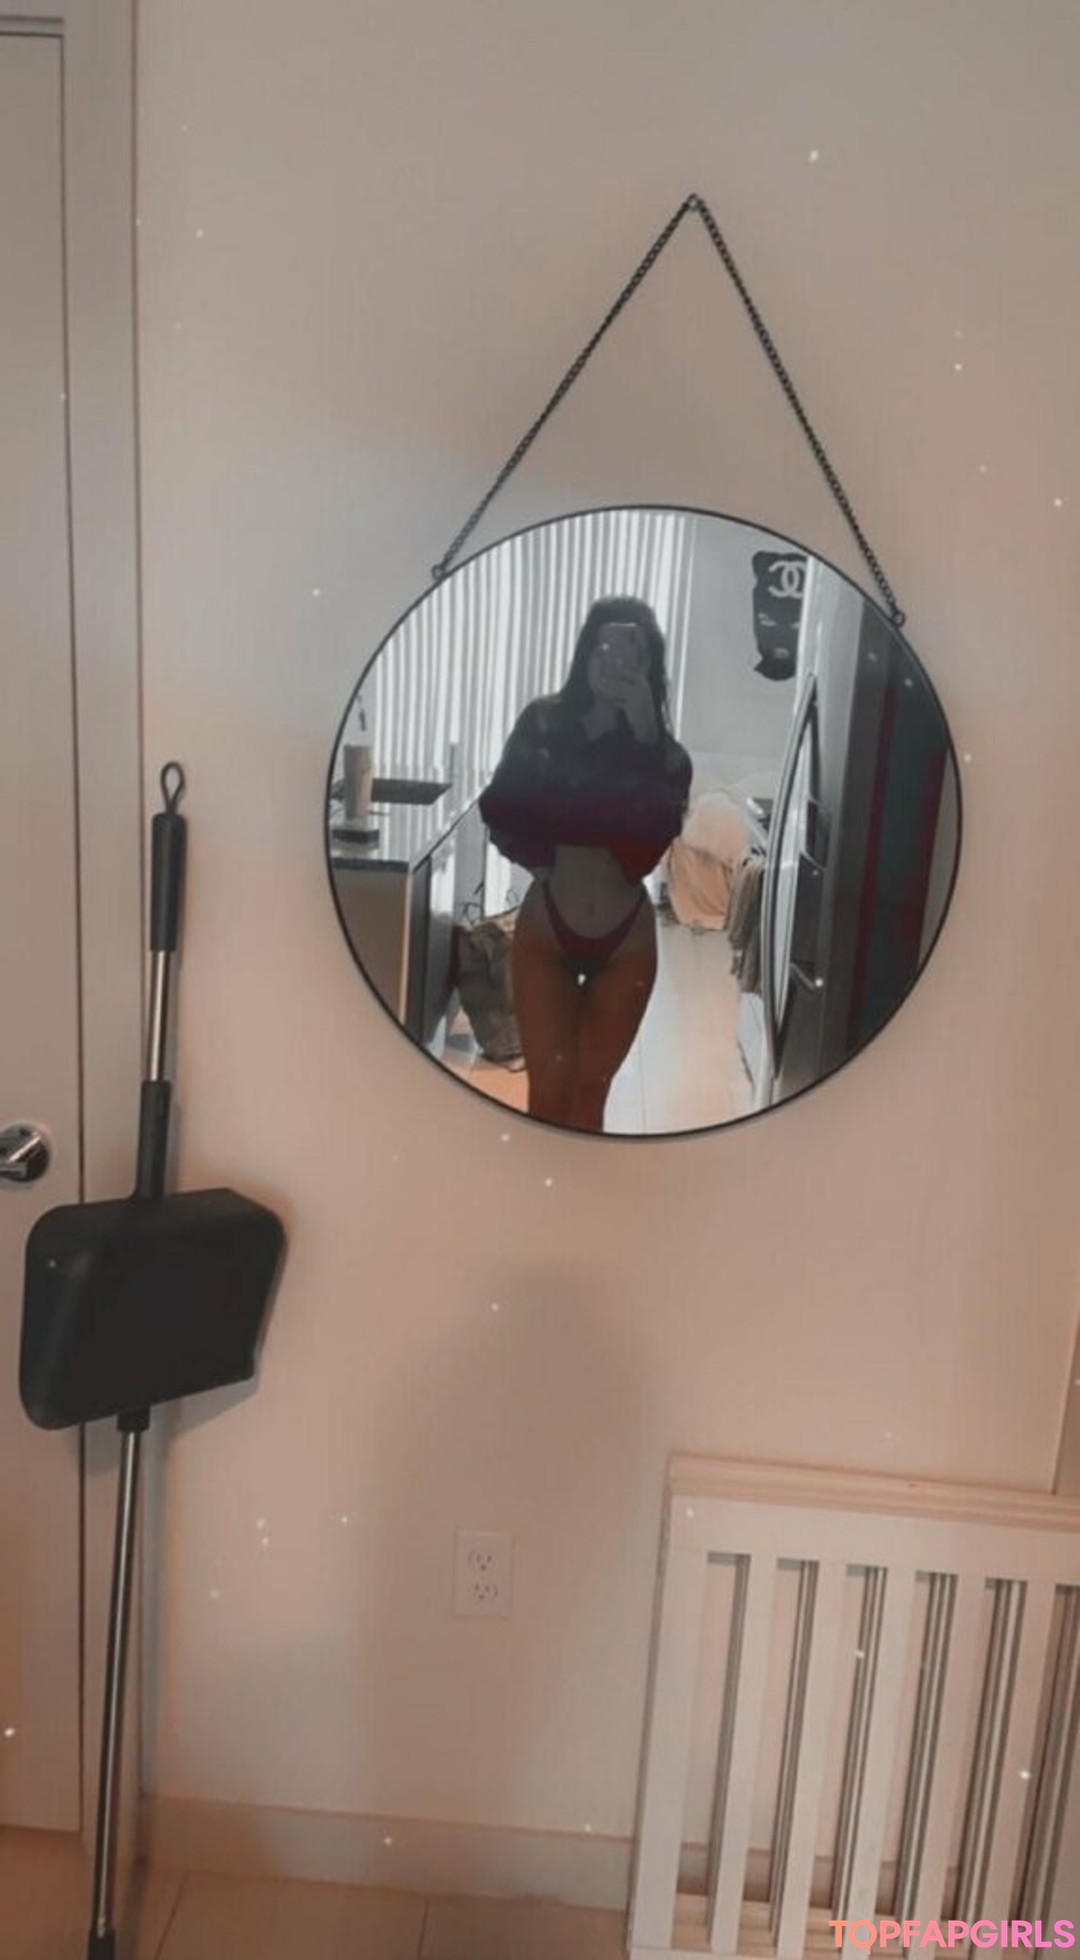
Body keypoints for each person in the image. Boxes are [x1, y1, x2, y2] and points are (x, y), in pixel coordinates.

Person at [478, 596, 692, 1131]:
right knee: (548, 1097)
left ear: (649, 666)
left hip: (626, 940)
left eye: (631, 652)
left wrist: (644, 740)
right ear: (584, 653)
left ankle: (577, 1187)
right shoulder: (545, 724)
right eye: (601, 647)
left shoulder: (666, 755)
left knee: (589, 1096)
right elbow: (501, 804)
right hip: (548, 926)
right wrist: (538, 860)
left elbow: (648, 851)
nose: (611, 661)